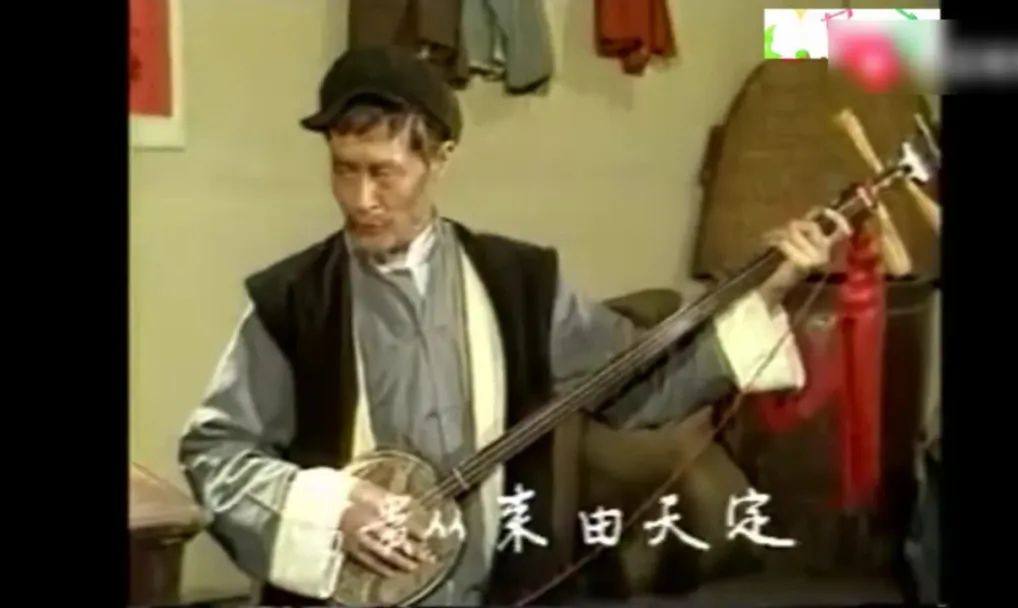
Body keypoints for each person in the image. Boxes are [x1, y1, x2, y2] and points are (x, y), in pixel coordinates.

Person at [178, 45, 853, 606]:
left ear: (440, 158)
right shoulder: (293, 301)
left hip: (501, 587)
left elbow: (635, 381)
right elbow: (216, 454)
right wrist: (328, 508)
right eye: (344, 169)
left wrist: (767, 290)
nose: (361, 199)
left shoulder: (518, 283)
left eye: (385, 173)